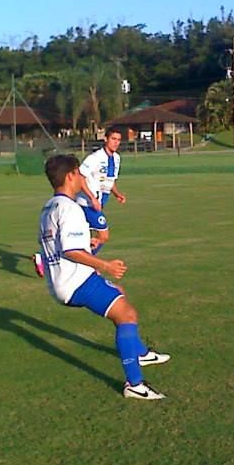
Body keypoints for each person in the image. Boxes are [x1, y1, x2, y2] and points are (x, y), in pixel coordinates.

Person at [39, 153, 169, 400]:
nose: (82, 178)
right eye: (79, 173)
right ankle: (135, 384)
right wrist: (105, 264)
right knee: (127, 315)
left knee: (119, 295)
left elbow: (57, 246)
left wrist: (89, 250)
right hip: (76, 283)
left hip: (64, 281)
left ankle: (139, 352)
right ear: (70, 176)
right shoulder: (70, 209)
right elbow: (71, 250)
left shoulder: (49, 207)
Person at [75, 126, 127, 255]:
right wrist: (92, 198)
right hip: (87, 203)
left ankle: (43, 258)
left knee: (80, 236)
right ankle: (87, 262)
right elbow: (80, 177)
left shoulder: (116, 158)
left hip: (100, 203)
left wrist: (117, 194)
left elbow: (110, 180)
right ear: (105, 139)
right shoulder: (95, 157)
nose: (116, 142)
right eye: (113, 139)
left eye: (119, 140)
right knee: (103, 236)